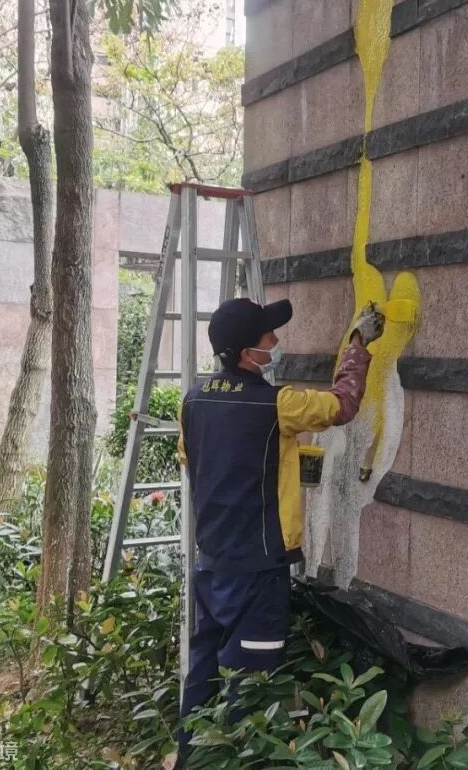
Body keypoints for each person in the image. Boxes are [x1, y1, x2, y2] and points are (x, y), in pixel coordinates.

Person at [175, 296, 384, 758]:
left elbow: (196, 459)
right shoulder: (277, 404)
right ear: (248, 354)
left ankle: (189, 760)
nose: (276, 341)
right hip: (258, 570)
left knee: (204, 675)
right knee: (250, 689)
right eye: (269, 336)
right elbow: (342, 404)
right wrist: (358, 345)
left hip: (211, 566)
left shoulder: (192, 400)